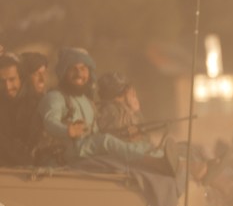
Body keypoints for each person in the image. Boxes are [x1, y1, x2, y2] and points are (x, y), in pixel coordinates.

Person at [37, 48, 176, 173]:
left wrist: (126, 134)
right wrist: (68, 130)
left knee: (121, 141)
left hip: (87, 147)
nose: (79, 73)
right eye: (73, 68)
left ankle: (159, 158)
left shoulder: (86, 101)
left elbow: (96, 131)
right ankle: (154, 163)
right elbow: (50, 122)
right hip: (68, 152)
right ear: (63, 72)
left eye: (83, 68)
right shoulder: (55, 97)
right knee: (106, 141)